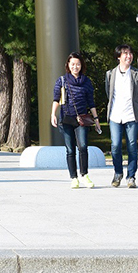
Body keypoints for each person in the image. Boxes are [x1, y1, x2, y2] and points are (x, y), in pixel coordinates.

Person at [51, 52, 101, 189]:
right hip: (66, 119)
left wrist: (96, 119)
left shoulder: (86, 82)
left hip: (82, 119)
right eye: (72, 64)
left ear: (81, 65)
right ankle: (73, 178)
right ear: (68, 65)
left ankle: (84, 174)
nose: (75, 66)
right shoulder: (62, 80)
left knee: (83, 146)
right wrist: (53, 114)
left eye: (78, 64)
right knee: (70, 150)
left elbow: (91, 102)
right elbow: (56, 99)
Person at [106, 44, 138, 188]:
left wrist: (135, 106)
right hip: (115, 116)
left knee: (131, 147)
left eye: (130, 53)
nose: (129, 56)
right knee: (115, 146)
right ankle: (118, 173)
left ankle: (131, 177)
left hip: (131, 115)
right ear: (118, 57)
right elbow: (109, 94)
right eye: (125, 53)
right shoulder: (110, 74)